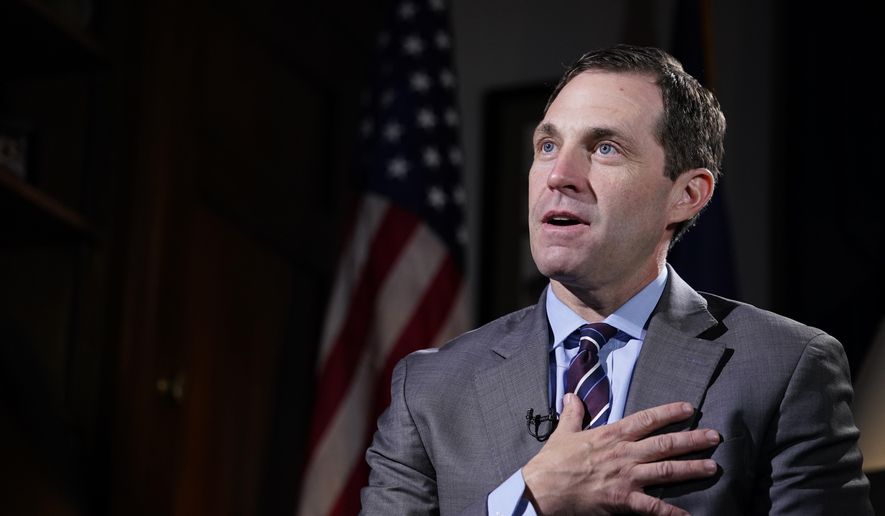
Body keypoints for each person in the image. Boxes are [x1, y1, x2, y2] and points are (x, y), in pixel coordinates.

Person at [360, 44, 871, 515]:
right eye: (547, 145)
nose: (559, 174)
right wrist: (530, 499)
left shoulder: (786, 367)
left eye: (605, 148)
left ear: (687, 194)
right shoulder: (427, 388)